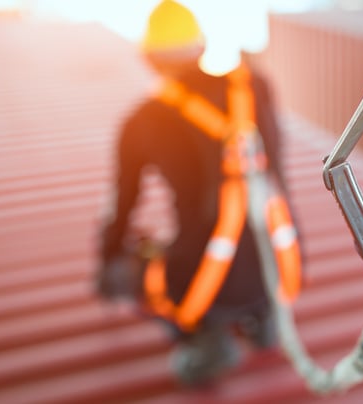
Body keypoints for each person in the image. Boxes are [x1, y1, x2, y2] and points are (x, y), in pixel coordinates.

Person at [95, 0, 301, 385]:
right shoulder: (255, 86)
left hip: (203, 279)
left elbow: (123, 206)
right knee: (243, 234)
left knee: (136, 264)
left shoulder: (142, 121)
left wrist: (108, 262)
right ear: (202, 47)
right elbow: (275, 169)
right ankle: (262, 319)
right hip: (281, 258)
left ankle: (206, 337)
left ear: (148, 59)